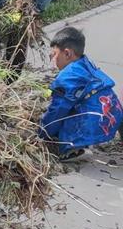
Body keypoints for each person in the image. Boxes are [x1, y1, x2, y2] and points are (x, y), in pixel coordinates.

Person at [39, 27, 123, 161]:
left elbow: (57, 111)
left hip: (94, 121)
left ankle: (74, 148)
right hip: (116, 114)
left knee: (61, 127)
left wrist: (42, 132)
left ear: (67, 53)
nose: (52, 59)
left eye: (54, 54)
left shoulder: (67, 77)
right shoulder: (86, 63)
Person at [0, 0, 56, 80]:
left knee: (17, 51)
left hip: (27, 13)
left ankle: (9, 83)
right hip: (6, 8)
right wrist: (2, 7)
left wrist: (33, 9)